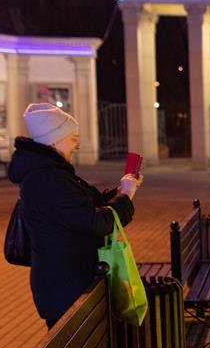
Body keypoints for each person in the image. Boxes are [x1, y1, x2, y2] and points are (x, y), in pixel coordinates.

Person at [8, 103, 142, 328]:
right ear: (55, 140)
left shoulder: (49, 175)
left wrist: (119, 194)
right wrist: (126, 199)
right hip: (67, 288)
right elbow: (95, 222)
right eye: (73, 138)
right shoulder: (48, 179)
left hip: (68, 282)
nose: (77, 145)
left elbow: (80, 209)